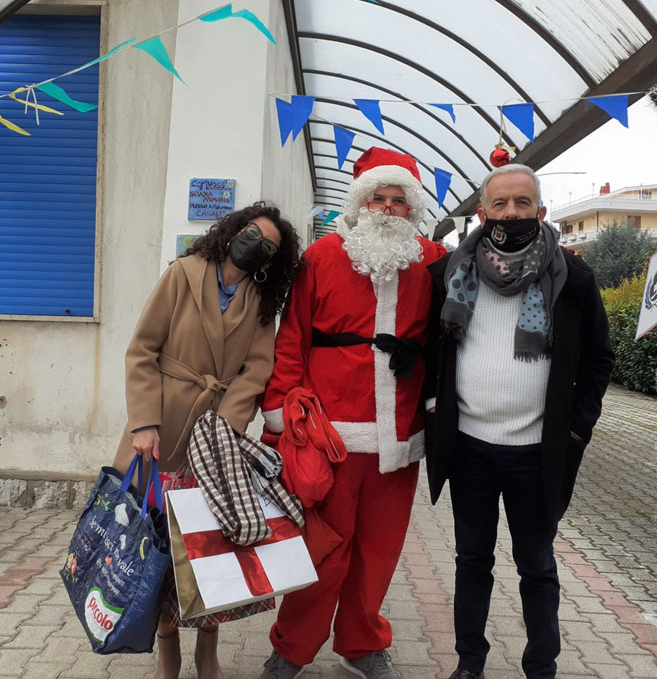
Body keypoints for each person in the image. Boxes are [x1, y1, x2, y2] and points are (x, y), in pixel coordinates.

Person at [259, 147, 446, 679]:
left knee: (379, 550)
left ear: (412, 210)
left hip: (400, 434)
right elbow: (292, 336)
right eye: (377, 199)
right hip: (329, 435)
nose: (387, 210)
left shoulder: (430, 260)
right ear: (360, 203)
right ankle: (292, 647)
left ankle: (362, 643)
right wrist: (279, 410)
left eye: (398, 201)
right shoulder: (322, 257)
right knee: (323, 550)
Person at [425, 164, 615, 679]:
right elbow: (429, 351)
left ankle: (541, 665)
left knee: (537, 565)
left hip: (536, 452)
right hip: (469, 449)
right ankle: (469, 663)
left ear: (541, 211)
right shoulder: (448, 275)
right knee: (471, 562)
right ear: (482, 212)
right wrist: (433, 409)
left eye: (523, 203)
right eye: (501, 204)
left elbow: (599, 359)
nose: (512, 213)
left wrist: (577, 428)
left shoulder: (572, 279)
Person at [112, 202, 303, 679]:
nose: (257, 244)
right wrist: (143, 422)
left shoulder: (262, 302)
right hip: (160, 429)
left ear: (272, 261)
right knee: (157, 543)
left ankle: (208, 650)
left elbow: (257, 369)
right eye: (252, 233)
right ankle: (167, 648)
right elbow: (142, 350)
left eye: (270, 246)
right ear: (234, 231)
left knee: (207, 548)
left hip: (216, 440)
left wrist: (227, 425)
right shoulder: (184, 272)